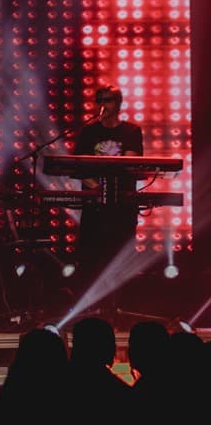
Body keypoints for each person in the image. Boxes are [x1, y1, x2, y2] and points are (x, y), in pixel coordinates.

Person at [72, 83, 143, 305]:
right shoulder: (88, 132)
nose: (103, 105)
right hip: (94, 205)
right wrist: (97, 188)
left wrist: (111, 189)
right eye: (100, 100)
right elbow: (79, 167)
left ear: (118, 104)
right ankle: (91, 306)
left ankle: (120, 306)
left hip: (122, 205)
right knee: (90, 258)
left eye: (108, 100)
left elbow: (130, 164)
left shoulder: (131, 131)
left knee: (120, 256)